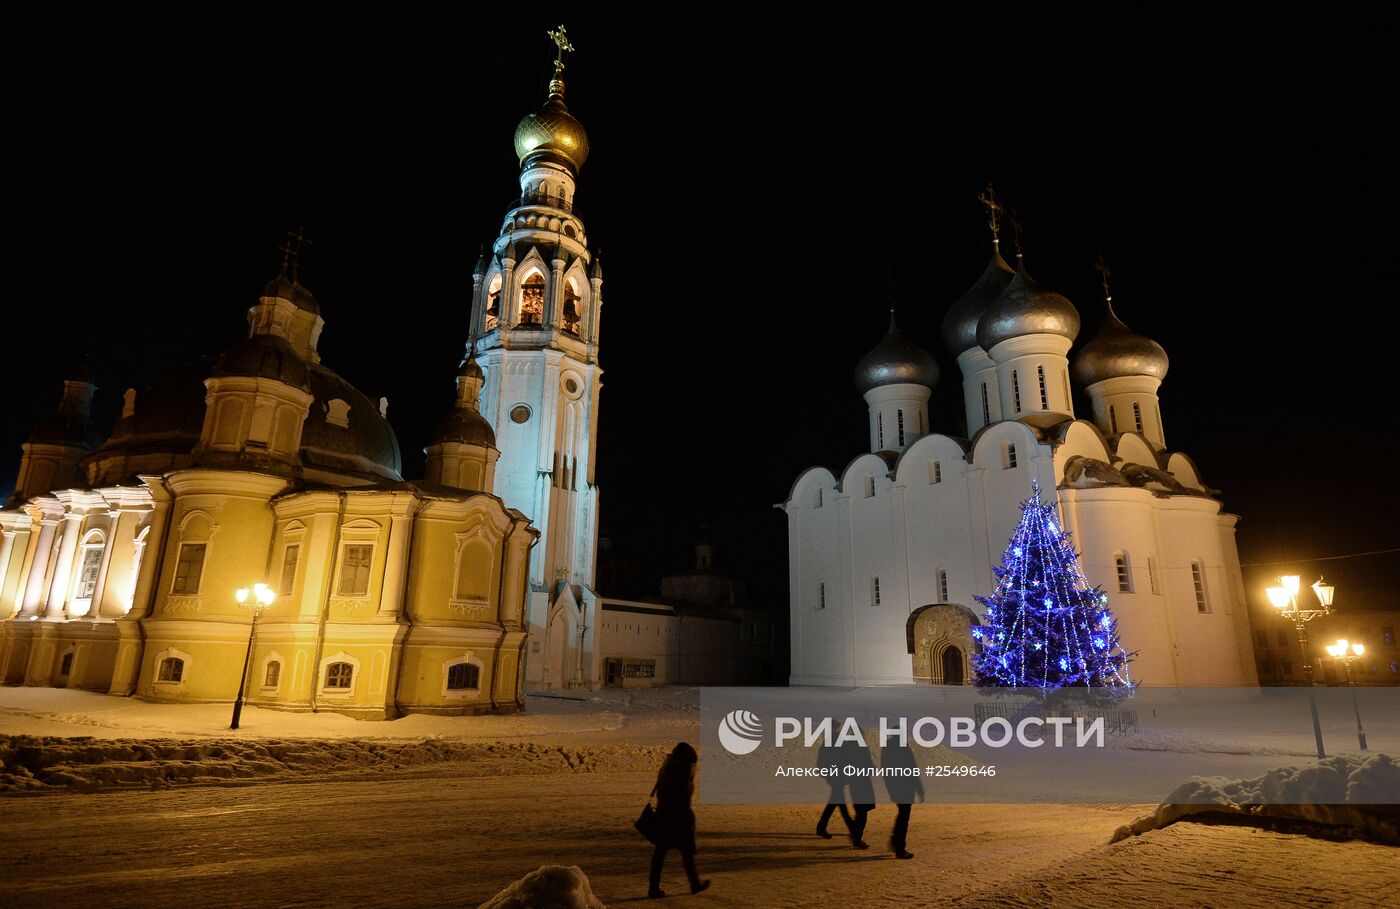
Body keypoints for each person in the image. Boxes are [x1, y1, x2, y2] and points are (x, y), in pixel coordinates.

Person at [648, 742, 711, 899]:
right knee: (684, 852)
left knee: (662, 853)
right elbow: (681, 795)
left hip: (665, 813)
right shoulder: (681, 771)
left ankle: (655, 887)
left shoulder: (668, 768)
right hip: (678, 816)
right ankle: (693, 883)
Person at [880, 742, 923, 859]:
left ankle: (896, 841)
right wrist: (919, 789)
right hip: (905, 788)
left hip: (895, 788)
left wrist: (890, 787)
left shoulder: (887, 750)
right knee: (904, 817)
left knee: (902, 815)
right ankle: (899, 848)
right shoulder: (904, 749)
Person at [815, 741, 853, 838]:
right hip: (837, 777)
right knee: (838, 801)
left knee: (836, 801)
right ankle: (852, 827)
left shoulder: (827, 744)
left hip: (835, 777)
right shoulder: (838, 743)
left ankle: (821, 826)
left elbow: (821, 762)